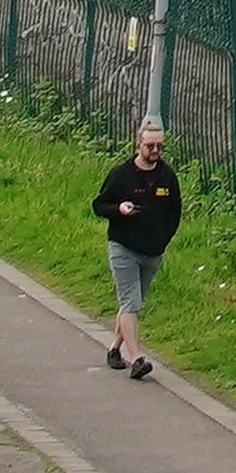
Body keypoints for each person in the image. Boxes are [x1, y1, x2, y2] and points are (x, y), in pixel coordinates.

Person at [91, 119, 182, 377]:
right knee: (130, 301)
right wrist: (119, 209)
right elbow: (99, 205)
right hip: (124, 246)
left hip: (153, 250)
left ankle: (114, 348)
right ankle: (137, 358)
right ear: (138, 144)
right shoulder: (121, 175)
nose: (155, 152)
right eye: (150, 146)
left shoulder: (167, 176)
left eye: (160, 147)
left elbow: (175, 212)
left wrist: (164, 238)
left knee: (133, 301)